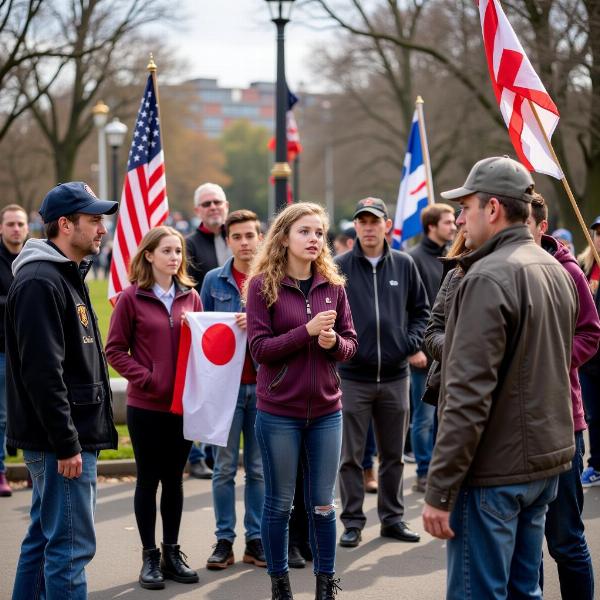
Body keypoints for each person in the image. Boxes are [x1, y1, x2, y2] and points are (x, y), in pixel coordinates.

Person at [422, 156, 579, 600]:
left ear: (492, 209)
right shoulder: (551, 267)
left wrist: (440, 488)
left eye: (467, 206)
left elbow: (467, 395)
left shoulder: (487, 276)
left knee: (482, 593)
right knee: (523, 590)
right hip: (542, 462)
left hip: (495, 469)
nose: (461, 218)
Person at [6, 182, 119, 599]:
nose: (102, 229)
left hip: (60, 438)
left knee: (44, 542)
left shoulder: (61, 274)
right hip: (60, 443)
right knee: (71, 550)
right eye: (93, 220)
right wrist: (67, 442)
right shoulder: (41, 281)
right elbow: (42, 374)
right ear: (65, 225)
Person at [246, 202, 357, 600]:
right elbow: (259, 349)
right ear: (285, 237)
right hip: (279, 412)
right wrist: (307, 332)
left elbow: (350, 345)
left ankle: (326, 585)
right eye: (305, 231)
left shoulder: (334, 285)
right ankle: (280, 586)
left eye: (319, 233)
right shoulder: (262, 286)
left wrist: (333, 343)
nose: (314, 239)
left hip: (327, 411)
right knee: (279, 505)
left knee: (324, 505)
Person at [106, 226, 201, 591]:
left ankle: (171, 553)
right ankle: (149, 557)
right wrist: (146, 377)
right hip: (145, 406)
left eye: (178, 251)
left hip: (182, 407)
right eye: (167, 251)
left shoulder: (191, 297)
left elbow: (206, 345)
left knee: (175, 480)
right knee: (148, 480)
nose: (175, 257)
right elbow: (114, 350)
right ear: (149, 255)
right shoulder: (131, 298)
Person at [336, 197, 429, 549]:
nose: (369, 227)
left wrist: (407, 343)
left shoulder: (404, 265)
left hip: (394, 376)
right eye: (363, 221)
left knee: (392, 456)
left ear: (387, 225)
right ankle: (353, 521)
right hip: (353, 377)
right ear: (356, 227)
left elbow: (421, 311)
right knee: (351, 457)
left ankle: (392, 519)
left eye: (375, 221)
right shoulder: (340, 267)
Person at [527, 194, 599, 599]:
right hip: (516, 428)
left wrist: (550, 361)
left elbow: (590, 333)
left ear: (541, 227)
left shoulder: (568, 270)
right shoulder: (498, 267)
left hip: (562, 422)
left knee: (566, 538)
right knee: (526, 545)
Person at [200, 210, 266, 571]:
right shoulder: (213, 281)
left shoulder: (270, 278)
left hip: (263, 388)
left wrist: (253, 320)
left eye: (250, 236)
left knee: (257, 468)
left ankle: (254, 538)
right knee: (223, 467)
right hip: (226, 390)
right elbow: (204, 336)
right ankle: (224, 538)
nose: (244, 243)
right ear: (228, 241)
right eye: (237, 237)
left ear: (260, 237)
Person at [407, 203, 456, 493]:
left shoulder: (453, 257)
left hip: (448, 350)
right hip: (423, 353)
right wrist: (415, 347)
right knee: (423, 418)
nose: (453, 226)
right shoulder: (413, 259)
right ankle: (423, 471)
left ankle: (439, 469)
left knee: (444, 415)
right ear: (431, 226)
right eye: (448, 222)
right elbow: (411, 309)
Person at [186, 182, 231, 479]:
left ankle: (217, 453)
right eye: (207, 204)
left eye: (218, 202)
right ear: (198, 210)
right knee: (199, 394)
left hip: (235, 331)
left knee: (224, 397)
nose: (213, 207)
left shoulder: (240, 236)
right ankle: (196, 455)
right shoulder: (189, 244)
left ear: (226, 205)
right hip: (202, 330)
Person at [0, 204, 29, 498]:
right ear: (1, 228)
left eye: (20, 224)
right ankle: (1, 471)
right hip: (2, 349)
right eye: (10, 224)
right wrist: (19, 299)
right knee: (1, 416)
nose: (16, 229)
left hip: (29, 349)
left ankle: (35, 469)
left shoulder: (33, 258)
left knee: (34, 409)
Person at [578, 216, 600, 489]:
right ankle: (596, 464)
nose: (599, 238)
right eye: (597, 233)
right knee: (593, 415)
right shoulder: (582, 268)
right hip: (589, 358)